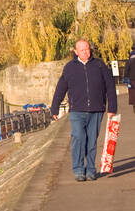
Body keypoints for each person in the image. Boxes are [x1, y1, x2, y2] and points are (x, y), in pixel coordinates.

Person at [50, 39, 118, 181]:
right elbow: (61, 87)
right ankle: (79, 169)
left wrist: (112, 108)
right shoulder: (69, 67)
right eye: (82, 50)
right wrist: (54, 108)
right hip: (77, 110)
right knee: (79, 138)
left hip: (96, 110)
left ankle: (91, 170)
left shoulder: (99, 65)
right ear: (76, 52)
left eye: (87, 49)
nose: (86, 52)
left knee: (92, 141)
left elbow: (110, 86)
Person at [125, 46, 135, 115]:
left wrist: (126, 79)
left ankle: (134, 105)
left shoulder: (129, 60)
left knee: (132, 93)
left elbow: (126, 71)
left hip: (132, 79)